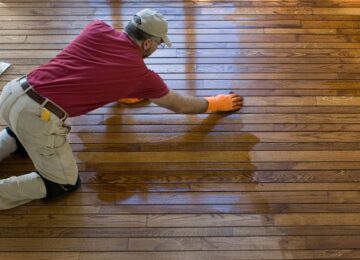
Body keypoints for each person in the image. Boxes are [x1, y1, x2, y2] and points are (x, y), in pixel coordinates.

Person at [0, 9, 243, 210]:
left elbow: (91, 67)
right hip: (37, 116)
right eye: (159, 44)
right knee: (63, 183)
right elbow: (178, 104)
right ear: (147, 43)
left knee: (20, 136)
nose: (157, 49)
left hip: (13, 93)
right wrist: (213, 103)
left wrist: (125, 91)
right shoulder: (140, 75)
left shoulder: (95, 28)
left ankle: (16, 139)